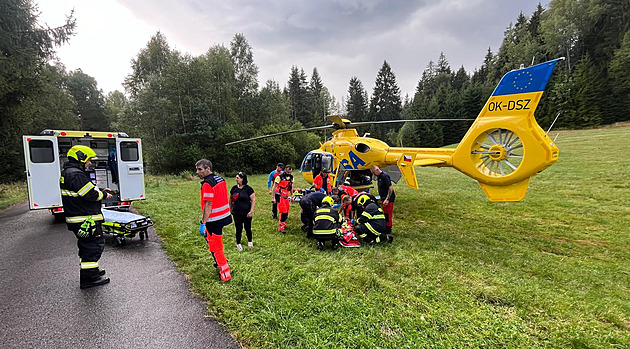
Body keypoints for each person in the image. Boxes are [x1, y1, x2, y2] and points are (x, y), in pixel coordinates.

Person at [60, 145, 113, 289]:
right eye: (89, 160)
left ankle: (92, 271)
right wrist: (104, 195)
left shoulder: (70, 172)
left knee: (87, 246)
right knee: (93, 247)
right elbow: (90, 195)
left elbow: (83, 191)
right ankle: (89, 279)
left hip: (80, 218)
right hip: (85, 219)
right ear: (81, 158)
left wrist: (100, 190)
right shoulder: (76, 174)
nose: (90, 163)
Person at [196, 159, 232, 282]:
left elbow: (208, 205)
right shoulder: (220, 179)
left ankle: (225, 272)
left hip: (214, 220)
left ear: (208, 169)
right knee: (213, 242)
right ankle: (219, 263)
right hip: (225, 216)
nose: (197, 172)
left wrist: (203, 223)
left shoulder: (207, 184)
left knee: (216, 246)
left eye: (200, 169)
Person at [230, 172, 255, 251]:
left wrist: (251, 211)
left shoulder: (248, 189)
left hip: (246, 212)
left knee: (248, 227)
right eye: (236, 178)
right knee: (238, 228)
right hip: (236, 212)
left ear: (242, 179)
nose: (236, 179)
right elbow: (230, 199)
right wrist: (230, 208)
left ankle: (250, 242)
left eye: (238, 178)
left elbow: (253, 200)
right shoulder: (234, 188)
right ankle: (238, 243)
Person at [371, 165, 396, 235]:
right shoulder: (379, 177)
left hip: (388, 199)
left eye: (374, 173)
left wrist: (387, 199)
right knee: (385, 213)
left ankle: (388, 229)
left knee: (388, 214)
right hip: (383, 198)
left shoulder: (385, 176)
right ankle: (385, 227)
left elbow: (391, 188)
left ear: (377, 170)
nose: (374, 175)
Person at [272, 164, 294, 233]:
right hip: (279, 195)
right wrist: (273, 197)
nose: (289, 174)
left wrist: (292, 195)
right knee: (283, 211)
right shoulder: (279, 177)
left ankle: (284, 223)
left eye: (290, 172)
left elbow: (291, 187)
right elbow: (274, 187)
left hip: (286, 196)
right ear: (285, 170)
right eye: (288, 172)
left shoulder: (291, 177)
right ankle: (281, 227)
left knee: (287, 211)